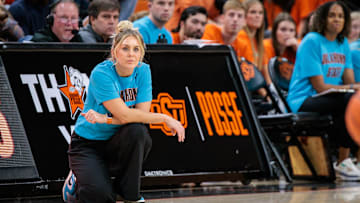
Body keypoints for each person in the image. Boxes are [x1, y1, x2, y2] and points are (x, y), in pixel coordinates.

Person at [63, 20, 185, 202]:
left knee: (138, 132)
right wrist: (164, 118)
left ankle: (130, 196)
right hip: (88, 145)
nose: (131, 54)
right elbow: (126, 115)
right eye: (125, 48)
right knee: (101, 196)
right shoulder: (102, 73)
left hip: (117, 140)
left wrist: (106, 120)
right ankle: (77, 179)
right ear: (114, 52)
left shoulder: (143, 71)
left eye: (136, 49)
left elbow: (139, 117)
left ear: (142, 52)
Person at [286, 1, 360, 181]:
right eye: (332, 15)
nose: (337, 19)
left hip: (330, 97)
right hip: (304, 99)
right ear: (322, 19)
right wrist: (353, 88)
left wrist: (354, 88)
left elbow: (349, 81)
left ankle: (345, 160)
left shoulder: (342, 44)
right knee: (349, 101)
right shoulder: (311, 41)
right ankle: (343, 161)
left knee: (354, 100)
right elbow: (319, 86)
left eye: (341, 16)